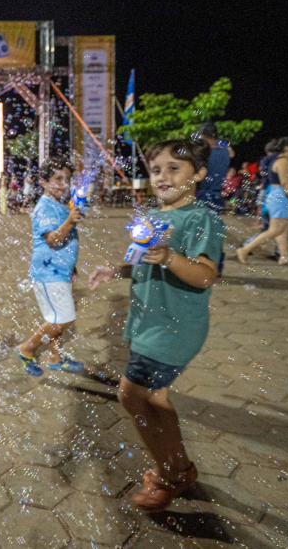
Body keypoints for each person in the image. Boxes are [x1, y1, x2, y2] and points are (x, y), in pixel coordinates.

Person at [88, 138, 225, 510]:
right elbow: (144, 260)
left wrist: (168, 257)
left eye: (173, 168)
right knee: (156, 399)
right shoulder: (155, 215)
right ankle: (178, 467)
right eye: (155, 169)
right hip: (148, 324)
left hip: (171, 329)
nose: (162, 176)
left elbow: (206, 275)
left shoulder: (202, 218)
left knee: (131, 396)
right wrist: (117, 269)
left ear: (198, 174)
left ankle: (172, 474)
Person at [14, 162, 84, 376]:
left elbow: (64, 243)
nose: (65, 184)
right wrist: (70, 221)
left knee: (55, 318)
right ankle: (27, 349)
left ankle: (55, 357)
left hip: (57, 272)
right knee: (64, 318)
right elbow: (53, 240)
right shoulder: (45, 207)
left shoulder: (57, 206)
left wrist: (72, 266)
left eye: (67, 179)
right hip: (48, 274)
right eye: (58, 179)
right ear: (43, 182)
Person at [236, 137, 288, 265]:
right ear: (286, 147)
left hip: (282, 198)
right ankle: (245, 250)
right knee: (275, 229)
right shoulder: (283, 162)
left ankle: (284, 256)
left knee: (285, 228)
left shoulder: (286, 161)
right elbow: (285, 184)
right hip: (281, 198)